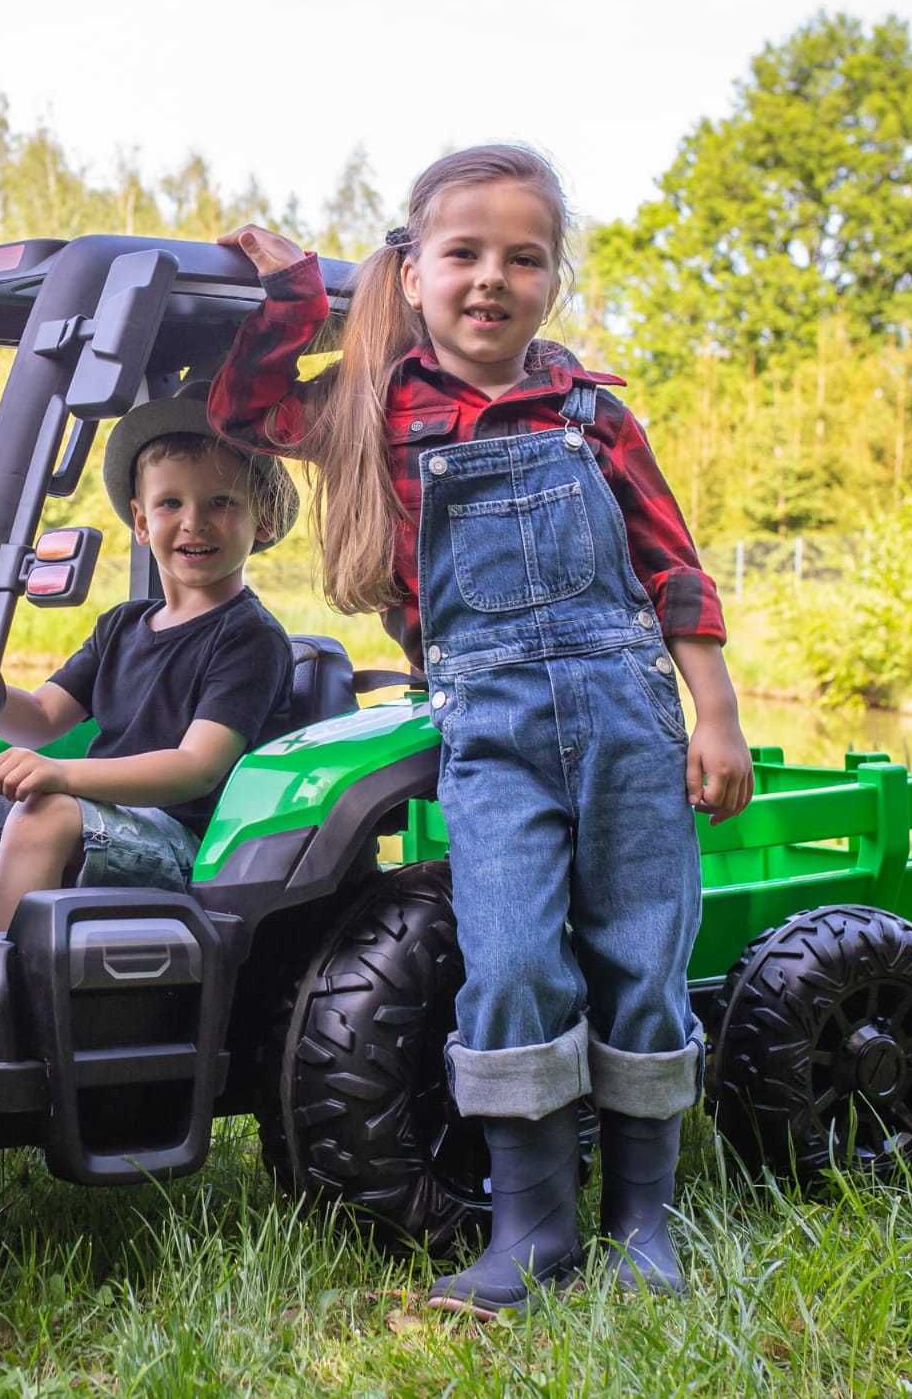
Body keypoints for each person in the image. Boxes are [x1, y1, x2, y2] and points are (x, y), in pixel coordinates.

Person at [211, 145, 754, 1316]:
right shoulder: (373, 410)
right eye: (462, 254)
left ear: (551, 279)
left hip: (625, 716)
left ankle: (643, 1225)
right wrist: (293, 297)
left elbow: (672, 571)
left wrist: (715, 718)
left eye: (523, 257)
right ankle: (531, 1232)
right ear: (411, 273)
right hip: (487, 722)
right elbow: (247, 411)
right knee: (508, 960)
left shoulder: (592, 412)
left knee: (637, 955)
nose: (489, 280)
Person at [0, 383, 301, 935]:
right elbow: (41, 720)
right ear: (141, 521)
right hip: (105, 819)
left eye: (222, 502)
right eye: (171, 503)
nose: (194, 522)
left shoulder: (249, 638)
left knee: (46, 814)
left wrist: (63, 775)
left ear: (261, 520)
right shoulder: (122, 626)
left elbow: (197, 768)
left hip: (189, 846)